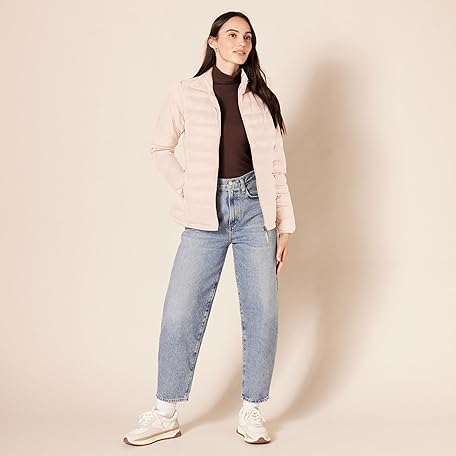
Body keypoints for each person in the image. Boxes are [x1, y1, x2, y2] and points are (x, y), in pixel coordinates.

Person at [123, 11, 296, 446]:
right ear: (213, 41)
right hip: (205, 212)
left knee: (263, 311)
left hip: (256, 210)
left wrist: (285, 225)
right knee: (180, 310)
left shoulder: (262, 99)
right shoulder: (186, 92)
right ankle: (165, 412)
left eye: (248, 37)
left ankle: (252, 410)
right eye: (232, 35)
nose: (241, 43)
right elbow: (160, 148)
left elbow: (276, 167)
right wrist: (189, 186)